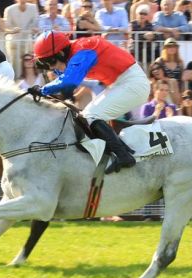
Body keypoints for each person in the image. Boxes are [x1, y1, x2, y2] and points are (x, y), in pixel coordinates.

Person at [29, 31, 150, 173]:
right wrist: (46, 83)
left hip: (132, 83)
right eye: (46, 64)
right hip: (121, 83)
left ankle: (124, 156)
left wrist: (43, 90)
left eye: (51, 62)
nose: (51, 68)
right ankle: (121, 150)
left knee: (91, 115)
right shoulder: (74, 51)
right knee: (86, 115)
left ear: (61, 53)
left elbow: (70, 81)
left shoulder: (83, 51)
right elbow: (65, 77)